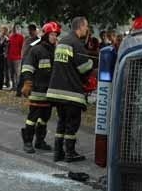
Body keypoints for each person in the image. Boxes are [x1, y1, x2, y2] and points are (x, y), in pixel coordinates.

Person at [46, 16, 94, 162]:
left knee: (62, 121)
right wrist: (91, 62)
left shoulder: (63, 42)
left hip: (57, 91)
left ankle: (58, 152)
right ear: (80, 27)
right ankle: (70, 153)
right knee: (73, 123)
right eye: (86, 26)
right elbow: (84, 68)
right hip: (71, 92)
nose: (87, 29)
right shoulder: (77, 44)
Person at [20, 21, 60, 153]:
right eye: (53, 35)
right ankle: (27, 142)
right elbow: (27, 68)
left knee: (45, 118)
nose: (55, 37)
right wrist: (27, 83)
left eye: (56, 35)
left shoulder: (55, 51)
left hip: (49, 92)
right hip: (37, 91)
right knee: (32, 118)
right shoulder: (36, 50)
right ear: (46, 35)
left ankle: (40, 141)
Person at [7, 23, 24, 91]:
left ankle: (18, 86)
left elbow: (22, 47)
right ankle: (13, 86)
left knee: (17, 73)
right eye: (14, 29)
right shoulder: (10, 37)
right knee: (11, 73)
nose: (15, 30)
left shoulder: (21, 37)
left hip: (17, 57)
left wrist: (21, 56)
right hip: (10, 57)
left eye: (16, 28)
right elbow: (9, 47)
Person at [0, 25, 9, 90]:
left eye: (5, 31)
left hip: (1, 56)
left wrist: (5, 53)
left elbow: (7, 48)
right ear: (1, 30)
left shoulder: (7, 39)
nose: (4, 32)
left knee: (1, 71)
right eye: (3, 30)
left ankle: (0, 86)